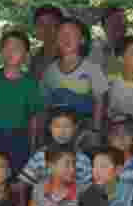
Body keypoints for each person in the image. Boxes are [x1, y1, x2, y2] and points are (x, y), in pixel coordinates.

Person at [0, 31, 45, 177]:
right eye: (7, 48)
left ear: (26, 55)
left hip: (20, 139)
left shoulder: (31, 84)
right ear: (1, 52)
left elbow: (34, 118)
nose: (11, 52)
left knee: (17, 179)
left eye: (16, 48)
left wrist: (33, 147)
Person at [40, 18, 108, 151]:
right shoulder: (49, 71)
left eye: (72, 33)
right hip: (56, 134)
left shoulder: (93, 69)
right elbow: (44, 105)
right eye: (62, 34)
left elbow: (100, 102)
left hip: (84, 133)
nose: (66, 38)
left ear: (82, 40)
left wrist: (95, 131)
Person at [17, 108, 93, 189]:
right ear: (50, 128)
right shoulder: (40, 156)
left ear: (75, 127)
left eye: (67, 126)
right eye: (57, 126)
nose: (62, 131)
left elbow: (87, 188)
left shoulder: (83, 159)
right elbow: (25, 182)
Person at [29, 5, 63, 80]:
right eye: (41, 24)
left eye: (51, 24)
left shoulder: (72, 56)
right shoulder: (36, 59)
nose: (46, 29)